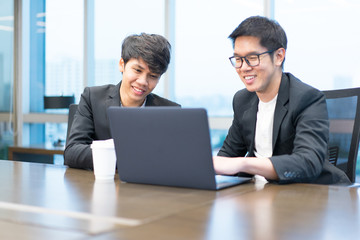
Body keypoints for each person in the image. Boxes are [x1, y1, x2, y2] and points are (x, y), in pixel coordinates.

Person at [213, 16, 350, 185]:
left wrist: (244, 163)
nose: (243, 67)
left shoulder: (308, 98)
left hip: (309, 195)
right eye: (238, 59)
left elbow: (308, 162)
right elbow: (227, 157)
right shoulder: (242, 100)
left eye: (252, 58)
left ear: (279, 56)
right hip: (260, 194)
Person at [64, 33, 180, 169]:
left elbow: (174, 160)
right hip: (102, 186)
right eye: (137, 70)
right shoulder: (93, 98)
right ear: (122, 65)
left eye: (153, 76)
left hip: (148, 188)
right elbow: (72, 152)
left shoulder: (169, 112)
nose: (143, 81)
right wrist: (125, 156)